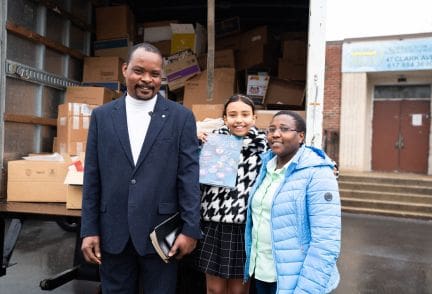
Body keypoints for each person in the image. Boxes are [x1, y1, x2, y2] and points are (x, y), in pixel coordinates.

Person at [80, 42, 202, 294]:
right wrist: (89, 229)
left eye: (155, 74)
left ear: (162, 77)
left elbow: (189, 177)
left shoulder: (181, 118)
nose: (146, 79)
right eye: (138, 71)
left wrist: (190, 230)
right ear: (125, 70)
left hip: (160, 235)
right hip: (113, 233)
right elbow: (93, 177)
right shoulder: (102, 117)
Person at [244, 110, 341, 294]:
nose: (275, 134)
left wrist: (307, 290)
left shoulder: (318, 173)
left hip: (295, 281)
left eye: (284, 129)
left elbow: (326, 242)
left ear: (301, 136)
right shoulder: (266, 166)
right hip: (262, 273)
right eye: (271, 129)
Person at [195, 94, 268, 294]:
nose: (239, 120)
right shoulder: (210, 142)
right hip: (213, 225)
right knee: (214, 289)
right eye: (233, 115)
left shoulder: (265, 147)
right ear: (225, 118)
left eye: (245, 114)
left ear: (254, 118)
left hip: (245, 228)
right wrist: (193, 137)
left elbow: (298, 154)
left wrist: (329, 166)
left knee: (239, 291)